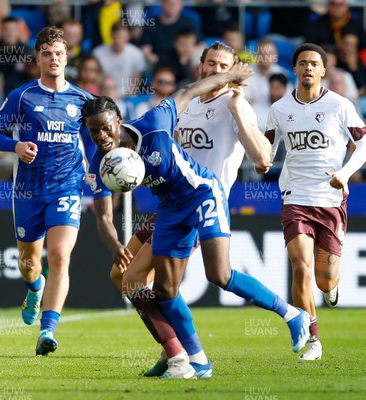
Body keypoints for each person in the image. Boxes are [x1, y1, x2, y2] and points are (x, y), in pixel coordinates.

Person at [84, 61, 310, 378]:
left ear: (118, 120)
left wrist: (231, 75)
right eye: (94, 131)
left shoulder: (155, 121)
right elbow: (104, 215)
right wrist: (113, 245)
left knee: (219, 274)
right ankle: (198, 360)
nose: (101, 136)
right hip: (170, 209)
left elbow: (189, 90)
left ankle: (291, 314)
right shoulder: (99, 161)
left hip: (202, 193)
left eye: (106, 127)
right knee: (164, 290)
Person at [0, 26, 95, 356]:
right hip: (28, 192)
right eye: (47, 53)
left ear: (66, 56)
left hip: (67, 187)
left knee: (60, 256)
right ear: (38, 58)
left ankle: (47, 331)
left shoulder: (83, 101)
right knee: (29, 264)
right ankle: (34, 288)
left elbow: (94, 144)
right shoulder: (22, 96)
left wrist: (97, 177)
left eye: (59, 53)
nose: (53, 58)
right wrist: (16, 145)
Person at [262, 43, 366, 360]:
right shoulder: (279, 109)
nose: (308, 68)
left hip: (331, 199)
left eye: (314, 63)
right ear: (295, 69)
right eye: (303, 63)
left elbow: (363, 145)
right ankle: (313, 340)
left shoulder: (340, 105)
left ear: (323, 70)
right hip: (295, 196)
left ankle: (331, 285)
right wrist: (263, 162)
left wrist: (346, 173)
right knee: (301, 267)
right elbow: (266, 149)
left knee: (324, 282)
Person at [92, 21, 146, 97]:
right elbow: (95, 79)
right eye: (115, 37)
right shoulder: (98, 53)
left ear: (128, 36)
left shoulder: (136, 54)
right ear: (111, 35)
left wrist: (120, 96)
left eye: (121, 37)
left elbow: (136, 82)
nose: (118, 41)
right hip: (103, 95)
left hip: (128, 97)